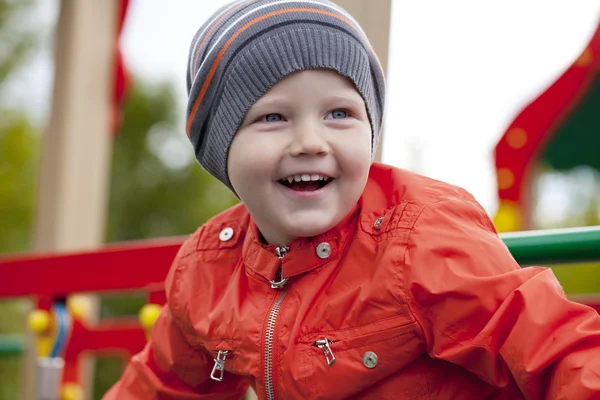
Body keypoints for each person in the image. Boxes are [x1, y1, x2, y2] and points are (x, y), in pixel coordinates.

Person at [104, 0, 600, 398]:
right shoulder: (209, 270)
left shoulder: (418, 236)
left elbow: (555, 347)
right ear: (220, 148)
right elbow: (161, 386)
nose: (310, 141)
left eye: (339, 113)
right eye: (273, 118)